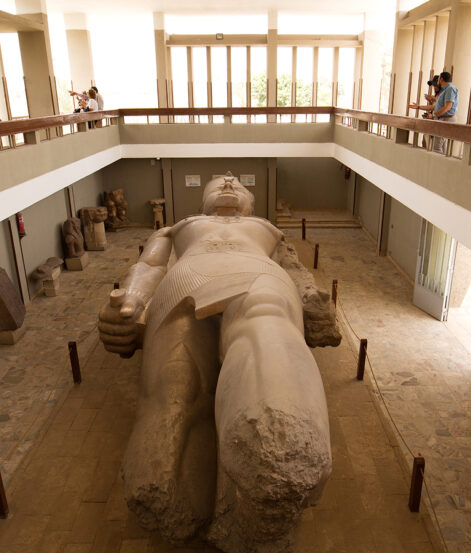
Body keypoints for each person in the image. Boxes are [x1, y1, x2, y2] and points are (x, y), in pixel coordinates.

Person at [98, 174, 333, 553]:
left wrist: (312, 300)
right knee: (178, 392)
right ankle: (180, 495)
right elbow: (149, 267)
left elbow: (295, 270)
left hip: (257, 276)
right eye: (218, 182)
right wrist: (131, 304)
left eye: (236, 183)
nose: (227, 184)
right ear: (202, 200)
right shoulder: (179, 228)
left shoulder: (266, 228)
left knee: (264, 325)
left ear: (250, 204)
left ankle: (278, 463)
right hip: (185, 279)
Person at [423, 71, 458, 153]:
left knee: (437, 146)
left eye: (438, 79)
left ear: (441, 79)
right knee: (441, 145)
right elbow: (437, 106)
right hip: (442, 118)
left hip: (446, 118)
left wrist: (434, 115)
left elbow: (447, 107)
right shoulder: (445, 90)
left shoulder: (450, 89)